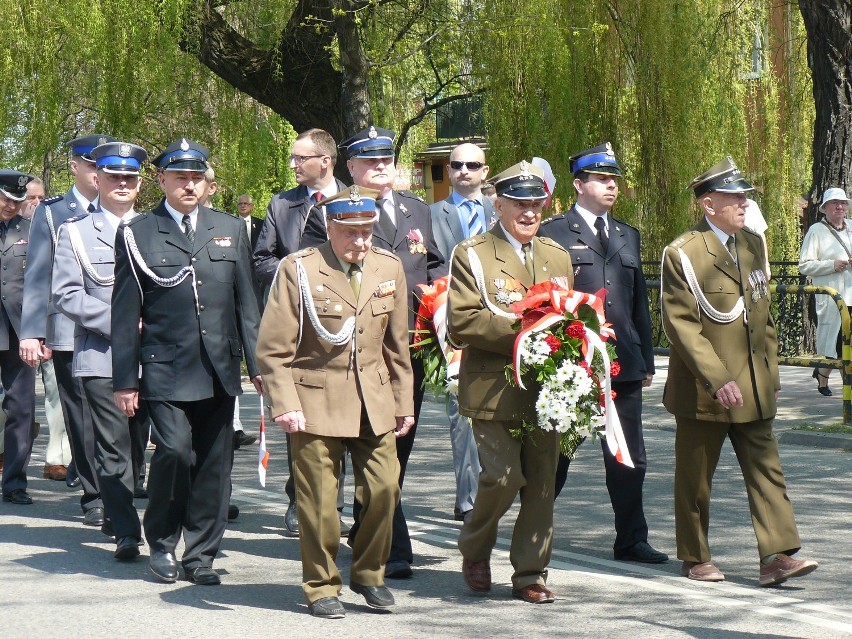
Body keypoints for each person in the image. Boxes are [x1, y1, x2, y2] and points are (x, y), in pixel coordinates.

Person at [257, 185, 414, 618]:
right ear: (330, 227)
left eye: (367, 231)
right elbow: (273, 349)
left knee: (384, 490)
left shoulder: (389, 267)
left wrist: (404, 402)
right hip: (315, 402)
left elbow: (397, 345)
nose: (361, 241)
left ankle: (368, 574)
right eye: (351, 232)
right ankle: (322, 585)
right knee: (321, 506)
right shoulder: (300, 269)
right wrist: (284, 403)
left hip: (374, 401)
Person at [111, 138, 262, 585]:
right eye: (180, 177)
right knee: (175, 452)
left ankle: (200, 554)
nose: (190, 185)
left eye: (197, 177)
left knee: (215, 463)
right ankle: (160, 541)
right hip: (166, 367)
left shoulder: (230, 228)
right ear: (161, 180)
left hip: (218, 367)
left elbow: (246, 307)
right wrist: (125, 379)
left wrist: (259, 368)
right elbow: (125, 312)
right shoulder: (138, 232)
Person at [661, 156, 818, 587]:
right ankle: (695, 556)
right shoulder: (683, 252)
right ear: (709, 205)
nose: (744, 202)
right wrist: (718, 377)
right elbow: (682, 325)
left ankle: (777, 556)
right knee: (696, 478)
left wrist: (770, 375)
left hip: (752, 383)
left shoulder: (753, 244)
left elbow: (761, 316)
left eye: (745, 196)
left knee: (767, 470)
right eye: (734, 197)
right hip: (704, 388)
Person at [302, 125, 446, 579]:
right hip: (349, 352)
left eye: (386, 159)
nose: (380, 167)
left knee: (395, 450)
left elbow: (436, 265)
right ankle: (389, 546)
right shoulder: (330, 212)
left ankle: (373, 531)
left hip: (408, 348)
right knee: (362, 454)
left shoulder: (415, 210)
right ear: (351, 167)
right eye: (369, 160)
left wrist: (437, 305)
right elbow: (315, 277)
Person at [448, 161, 572, 603]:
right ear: (497, 204)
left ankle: (530, 574)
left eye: (536, 203)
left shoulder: (557, 255)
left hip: (547, 392)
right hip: (494, 387)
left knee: (541, 482)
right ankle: (475, 547)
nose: (529, 212)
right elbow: (463, 320)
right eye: (519, 203)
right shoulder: (474, 253)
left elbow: (572, 317)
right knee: (502, 477)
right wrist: (528, 336)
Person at [538, 143, 667, 564]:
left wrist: (645, 357)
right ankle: (535, 530)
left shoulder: (627, 233)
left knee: (629, 456)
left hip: (622, 363)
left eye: (614, 180)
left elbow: (636, 307)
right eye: (602, 179)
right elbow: (546, 300)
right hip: (574, 361)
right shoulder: (554, 233)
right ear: (579, 184)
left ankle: (631, 539)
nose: (612, 186)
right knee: (558, 453)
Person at [52, 141, 149, 560]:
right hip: (102, 355)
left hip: (154, 356)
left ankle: (128, 509)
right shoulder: (73, 231)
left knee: (140, 445)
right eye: (114, 177)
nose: (122, 184)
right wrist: (122, 324)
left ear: (140, 183)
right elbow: (67, 294)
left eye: (130, 178)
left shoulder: (154, 228)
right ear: (99, 179)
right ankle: (126, 530)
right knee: (112, 447)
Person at [253, 128, 347, 536]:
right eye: (293, 158)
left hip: (348, 321)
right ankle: (299, 497)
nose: (293, 165)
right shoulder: (283, 204)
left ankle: (337, 502)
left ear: (325, 161)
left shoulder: (354, 199)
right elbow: (261, 259)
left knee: (345, 413)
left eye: (301, 158)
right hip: (300, 323)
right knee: (303, 412)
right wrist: (301, 275)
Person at [21, 134, 117, 518]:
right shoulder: (52, 212)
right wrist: (32, 331)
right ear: (75, 167)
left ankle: (125, 484)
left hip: (121, 328)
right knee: (80, 416)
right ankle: (95, 495)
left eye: (103, 166)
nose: (99, 174)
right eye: (92, 165)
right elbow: (39, 275)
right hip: (68, 330)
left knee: (123, 414)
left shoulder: (125, 210)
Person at [429, 142, 493, 521]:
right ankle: (469, 500)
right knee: (462, 411)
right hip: (451, 323)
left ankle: (499, 489)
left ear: (485, 172)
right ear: (449, 171)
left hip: (502, 323)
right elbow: (429, 265)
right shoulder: (431, 214)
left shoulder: (501, 210)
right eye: (457, 165)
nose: (464, 171)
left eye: (473, 165)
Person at [0, 170, 38, 505]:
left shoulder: (32, 232)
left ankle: (14, 481)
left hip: (19, 331)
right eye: (6, 199)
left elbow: (42, 285)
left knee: (21, 408)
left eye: (17, 200)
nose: (12, 205)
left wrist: (42, 334)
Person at [798, 187, 852, 396]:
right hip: (831, 296)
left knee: (848, 342)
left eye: (843, 203)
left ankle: (845, 383)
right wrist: (832, 265)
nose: (839, 207)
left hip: (851, 294)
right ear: (825, 207)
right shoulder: (816, 231)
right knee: (832, 341)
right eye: (834, 203)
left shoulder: (851, 228)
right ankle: (823, 377)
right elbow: (805, 266)